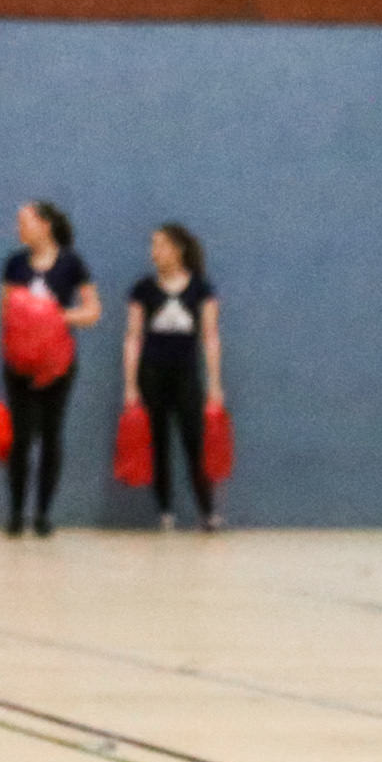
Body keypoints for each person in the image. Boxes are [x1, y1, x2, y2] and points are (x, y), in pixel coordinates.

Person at [0, 200, 98, 536]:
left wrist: (53, 316)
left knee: (51, 435)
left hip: (57, 364)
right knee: (21, 437)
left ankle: (43, 513)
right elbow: (7, 310)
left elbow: (92, 310)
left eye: (24, 222)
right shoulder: (15, 264)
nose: (19, 229)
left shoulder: (71, 264)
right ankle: (16, 512)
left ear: (44, 225)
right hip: (19, 363)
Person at [122, 223, 223, 532]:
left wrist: (215, 384)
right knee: (158, 442)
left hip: (186, 375)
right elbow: (133, 338)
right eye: (152, 245)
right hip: (152, 375)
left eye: (160, 245)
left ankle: (207, 511)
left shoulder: (201, 289)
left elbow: (210, 337)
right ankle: (165, 511)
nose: (154, 252)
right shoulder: (143, 289)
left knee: (195, 443)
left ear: (177, 250)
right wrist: (130, 385)